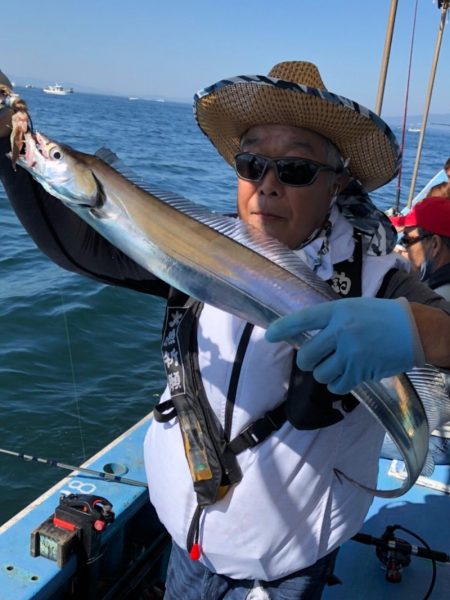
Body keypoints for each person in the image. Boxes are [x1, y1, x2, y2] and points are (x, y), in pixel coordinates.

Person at [1, 62, 450, 600]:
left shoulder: (380, 281)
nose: (268, 185)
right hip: (187, 547)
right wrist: (13, 152)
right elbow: (80, 247)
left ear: (338, 183)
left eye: (297, 170)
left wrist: (416, 328)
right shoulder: (195, 252)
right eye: (251, 162)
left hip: (283, 572)